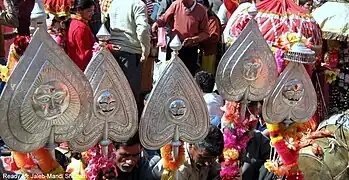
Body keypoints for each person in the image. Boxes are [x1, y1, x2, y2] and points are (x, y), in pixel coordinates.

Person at [106, 0, 151, 103]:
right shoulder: (138, 4)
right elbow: (143, 29)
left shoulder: (114, 3)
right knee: (130, 96)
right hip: (130, 52)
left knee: (114, 95)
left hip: (113, 51)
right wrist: (145, 51)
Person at [152, 0, 210, 76]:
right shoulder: (176, 4)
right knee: (171, 75)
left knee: (187, 76)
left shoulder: (201, 10)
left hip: (190, 50)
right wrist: (157, 23)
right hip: (174, 48)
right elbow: (164, 18)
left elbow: (205, 33)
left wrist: (193, 39)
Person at [152, 125, 224, 179]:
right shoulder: (179, 167)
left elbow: (216, 173)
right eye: (202, 157)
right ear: (191, 143)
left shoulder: (208, 156)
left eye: (212, 159)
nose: (208, 163)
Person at [66, 0, 96, 71]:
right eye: (89, 11)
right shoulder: (80, 28)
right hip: (82, 68)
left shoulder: (77, 23)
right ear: (79, 10)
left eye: (93, 11)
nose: (92, 13)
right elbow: (84, 54)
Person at [199, 0, 221, 74]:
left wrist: (199, 39)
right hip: (202, 51)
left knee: (208, 73)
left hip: (210, 52)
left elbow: (214, 37)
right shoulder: (202, 19)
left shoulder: (212, 19)